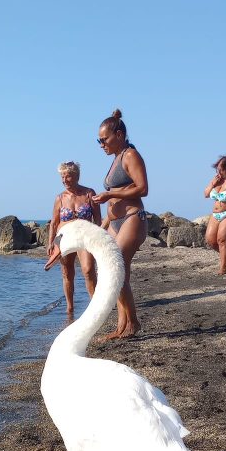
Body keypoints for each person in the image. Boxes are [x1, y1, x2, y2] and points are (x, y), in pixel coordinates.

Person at [91, 108, 149, 339]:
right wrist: (104, 224)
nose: (101, 144)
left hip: (133, 219)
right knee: (111, 272)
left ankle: (133, 323)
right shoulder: (117, 158)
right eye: (99, 140)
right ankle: (121, 324)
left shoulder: (130, 155)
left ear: (120, 134)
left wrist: (109, 195)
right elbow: (117, 195)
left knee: (116, 273)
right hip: (115, 223)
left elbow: (143, 188)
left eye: (104, 139)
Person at [48, 161, 102, 315]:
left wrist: (98, 236)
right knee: (67, 272)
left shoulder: (89, 193)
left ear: (77, 176)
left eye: (68, 176)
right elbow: (54, 223)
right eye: (62, 177)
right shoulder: (60, 198)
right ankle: (70, 307)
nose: (64, 180)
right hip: (64, 238)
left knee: (88, 269)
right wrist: (51, 243)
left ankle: (95, 304)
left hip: (84, 236)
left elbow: (98, 218)